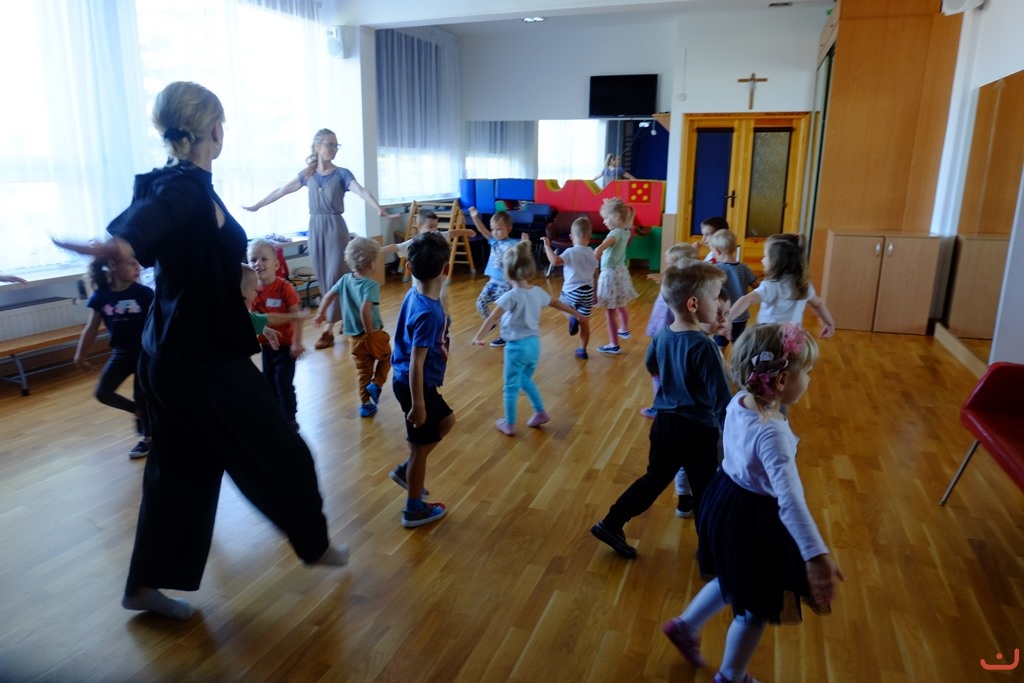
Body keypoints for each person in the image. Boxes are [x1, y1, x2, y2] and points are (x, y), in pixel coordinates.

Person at [53, 81, 348, 621]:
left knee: (179, 474)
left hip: (165, 356)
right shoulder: (187, 187)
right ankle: (314, 542)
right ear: (214, 130)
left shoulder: (170, 182)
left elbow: (161, 229)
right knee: (282, 452)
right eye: (222, 124)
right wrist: (123, 245)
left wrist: (133, 248)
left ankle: (143, 586)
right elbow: (155, 221)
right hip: (203, 360)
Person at [661, 323, 843, 683]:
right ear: (781, 380)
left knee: (731, 578)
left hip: (724, 500)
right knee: (756, 607)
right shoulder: (772, 432)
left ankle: (685, 626)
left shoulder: (738, 401)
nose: (810, 379)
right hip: (753, 520)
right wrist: (816, 554)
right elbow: (791, 501)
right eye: (807, 372)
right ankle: (731, 676)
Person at [591, 261, 730, 559]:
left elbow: (651, 365)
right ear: (693, 304)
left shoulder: (663, 335)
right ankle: (710, 552)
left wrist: (673, 377)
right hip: (698, 430)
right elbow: (721, 399)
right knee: (704, 489)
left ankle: (612, 522)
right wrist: (733, 436)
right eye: (715, 297)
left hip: (665, 424)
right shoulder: (704, 346)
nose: (719, 303)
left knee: (653, 479)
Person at [243, 128, 399, 351]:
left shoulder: (342, 174)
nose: (334, 149)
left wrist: (377, 208)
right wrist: (258, 205)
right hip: (315, 227)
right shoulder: (308, 175)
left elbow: (361, 190)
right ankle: (343, 319)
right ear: (317, 146)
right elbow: (281, 190)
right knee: (324, 277)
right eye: (330, 144)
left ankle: (328, 330)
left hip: (335, 227)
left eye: (336, 145)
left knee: (336, 275)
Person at [472, 240, 579, 436]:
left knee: (510, 386)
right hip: (534, 346)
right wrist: (575, 314)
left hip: (516, 348)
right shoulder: (537, 292)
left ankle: (509, 423)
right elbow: (556, 302)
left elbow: (492, 317)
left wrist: (479, 336)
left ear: (508, 271)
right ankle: (540, 413)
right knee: (524, 380)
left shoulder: (511, 296)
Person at [389, 232, 454, 528]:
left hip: (412, 382)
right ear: (446, 269)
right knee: (419, 448)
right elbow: (417, 362)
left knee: (447, 421)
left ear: (409, 268)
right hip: (416, 386)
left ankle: (407, 470)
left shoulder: (415, 293)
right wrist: (418, 404)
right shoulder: (429, 312)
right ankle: (413, 509)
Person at [74, 252, 154, 459]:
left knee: (142, 396)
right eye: (131, 264)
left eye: (138, 264)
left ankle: (149, 439)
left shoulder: (144, 293)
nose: (138, 268)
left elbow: (158, 323)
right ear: (113, 265)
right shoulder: (101, 296)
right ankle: (138, 411)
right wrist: (80, 356)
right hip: (121, 354)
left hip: (145, 354)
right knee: (103, 393)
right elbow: (91, 329)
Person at [314, 236, 392, 418]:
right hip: (372, 333)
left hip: (353, 338)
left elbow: (328, 296)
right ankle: (377, 384)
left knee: (363, 371)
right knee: (387, 357)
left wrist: (321, 313)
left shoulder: (344, 280)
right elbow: (365, 310)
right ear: (372, 264)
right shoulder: (371, 285)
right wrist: (370, 333)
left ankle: (365, 405)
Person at [726, 233, 836, 339]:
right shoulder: (803, 284)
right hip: (792, 338)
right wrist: (829, 323)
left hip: (769, 337)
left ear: (777, 262)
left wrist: (728, 318)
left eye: (765, 256)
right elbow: (817, 304)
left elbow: (747, 300)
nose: (762, 260)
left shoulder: (772, 285)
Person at [247, 239, 305, 431]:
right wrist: (265, 330)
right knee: (269, 381)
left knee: (283, 383)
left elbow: (297, 317)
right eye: (253, 260)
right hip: (266, 345)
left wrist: (297, 342)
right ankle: (275, 416)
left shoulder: (284, 287)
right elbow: (255, 318)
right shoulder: (252, 291)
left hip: (286, 346)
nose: (258, 263)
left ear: (276, 264)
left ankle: (289, 418)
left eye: (264, 259)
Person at [641, 242, 700, 419]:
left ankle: (660, 407)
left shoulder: (673, 291)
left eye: (668, 264)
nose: (665, 267)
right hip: (674, 336)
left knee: (658, 372)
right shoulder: (687, 285)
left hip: (665, 337)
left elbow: (665, 317)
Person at [540, 217, 599, 360]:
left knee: (560, 305)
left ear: (571, 237)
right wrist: (595, 293)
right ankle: (582, 350)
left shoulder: (570, 252)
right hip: (588, 292)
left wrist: (547, 246)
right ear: (589, 237)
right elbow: (596, 274)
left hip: (572, 291)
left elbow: (555, 261)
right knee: (584, 322)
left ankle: (572, 317)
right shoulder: (592, 253)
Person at [467, 206, 525, 347]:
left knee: (503, 312)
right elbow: (482, 229)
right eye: (493, 229)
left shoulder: (514, 244)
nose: (495, 232)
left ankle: (505, 336)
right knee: (480, 303)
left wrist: (524, 242)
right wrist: (475, 216)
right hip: (492, 282)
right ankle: (491, 323)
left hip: (505, 284)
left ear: (508, 228)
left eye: (498, 229)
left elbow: (523, 256)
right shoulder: (493, 241)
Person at [592, 198, 640, 354]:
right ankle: (624, 329)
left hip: (610, 275)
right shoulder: (626, 230)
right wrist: (609, 205)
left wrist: (600, 248)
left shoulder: (615, 233)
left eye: (606, 218)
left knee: (610, 311)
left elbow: (610, 241)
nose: (604, 221)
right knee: (621, 304)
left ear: (617, 217)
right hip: (620, 272)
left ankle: (614, 345)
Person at [709, 229, 757, 347]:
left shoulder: (716, 269)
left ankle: (720, 359)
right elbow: (758, 286)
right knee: (739, 345)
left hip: (722, 316)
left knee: (719, 346)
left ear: (718, 251)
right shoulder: (744, 268)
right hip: (741, 316)